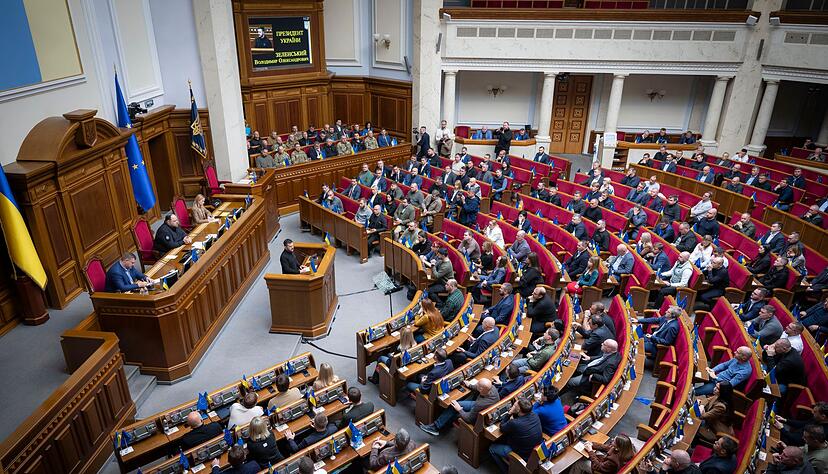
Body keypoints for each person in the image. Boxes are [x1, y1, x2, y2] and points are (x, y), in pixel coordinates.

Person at [419, 378, 499, 436]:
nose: (476, 384)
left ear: (481, 389)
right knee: (456, 404)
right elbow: (479, 388)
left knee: (454, 406)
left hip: (478, 417)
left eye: (477, 384)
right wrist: (469, 385)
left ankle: (435, 427)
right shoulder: (491, 388)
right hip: (481, 407)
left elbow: (469, 419)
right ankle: (444, 423)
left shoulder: (480, 404)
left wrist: (459, 409)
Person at [488, 398, 543, 473]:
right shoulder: (535, 415)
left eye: (514, 406)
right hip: (533, 451)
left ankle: (506, 471)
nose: (513, 406)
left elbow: (502, 427)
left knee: (492, 448)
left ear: (519, 410)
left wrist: (509, 413)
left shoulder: (514, 423)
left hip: (521, 454)